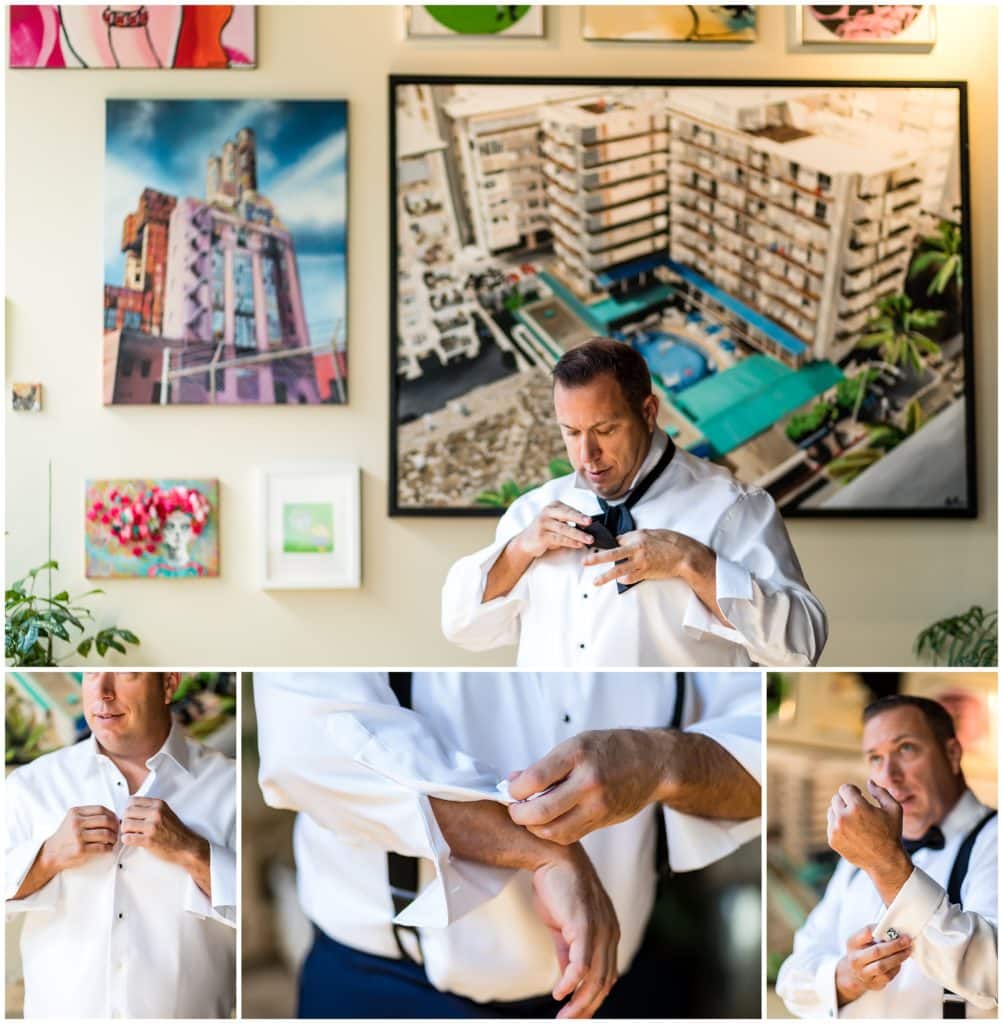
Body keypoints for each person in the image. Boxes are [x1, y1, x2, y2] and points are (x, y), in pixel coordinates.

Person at [254, 670, 761, 1019]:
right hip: (384, 993)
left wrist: (664, 760)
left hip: (617, 990)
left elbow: (762, 755)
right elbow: (307, 746)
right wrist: (544, 850)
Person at [441, 338, 827, 667]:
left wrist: (691, 562)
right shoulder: (533, 512)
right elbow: (461, 627)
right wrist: (521, 550)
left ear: (648, 412)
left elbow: (802, 646)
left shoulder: (733, 508)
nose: (586, 453)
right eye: (571, 432)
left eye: (605, 430)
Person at [5, 671, 237, 1019]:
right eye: (92, 674)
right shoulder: (30, 785)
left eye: (126, 674)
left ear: (168, 685)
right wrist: (47, 858)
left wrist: (193, 853)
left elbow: (267, 921)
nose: (102, 691)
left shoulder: (230, 786)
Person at [776, 695, 997, 1018]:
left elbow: (993, 974)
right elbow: (793, 978)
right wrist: (846, 978)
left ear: (951, 753)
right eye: (875, 758)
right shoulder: (856, 859)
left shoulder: (994, 840)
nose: (890, 775)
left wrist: (885, 864)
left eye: (905, 748)